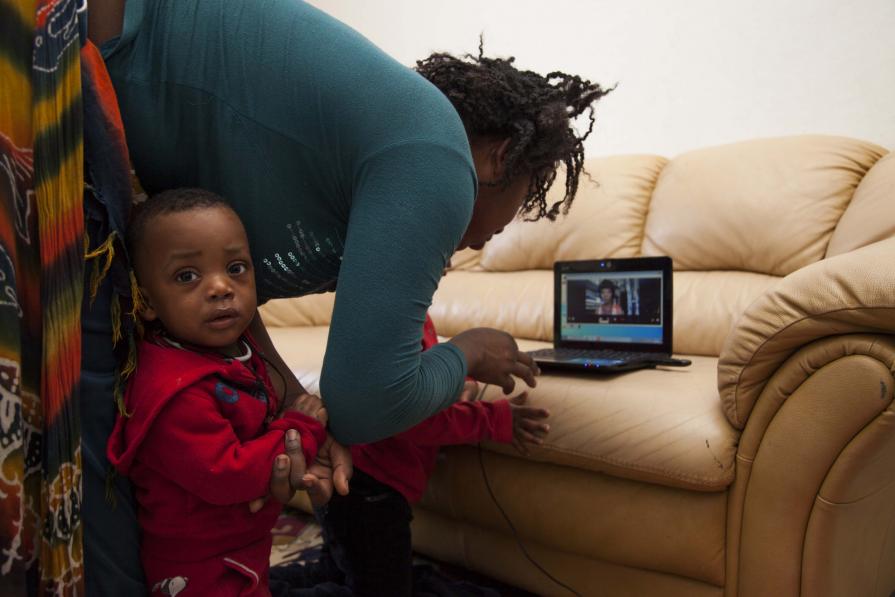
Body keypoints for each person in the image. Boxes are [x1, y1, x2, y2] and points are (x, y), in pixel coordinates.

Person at [84, 1, 612, 593]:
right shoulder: (439, 160)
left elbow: (222, 282)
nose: (488, 236)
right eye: (516, 197)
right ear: (497, 153)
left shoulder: (365, 151)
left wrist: (284, 390)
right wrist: (468, 353)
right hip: (84, 66)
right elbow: (365, 402)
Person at [107, 188, 339, 596]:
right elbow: (228, 474)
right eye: (187, 276)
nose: (220, 287)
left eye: (235, 268)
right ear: (146, 302)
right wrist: (300, 430)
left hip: (240, 545)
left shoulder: (231, 351)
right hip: (200, 567)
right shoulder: (174, 393)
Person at [269, 314, 551, 597]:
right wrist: (494, 419)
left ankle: (253, 585)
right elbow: (410, 417)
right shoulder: (394, 317)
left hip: (352, 473)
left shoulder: (403, 307)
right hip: (371, 489)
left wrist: (454, 381)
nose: (445, 267)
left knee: (344, 566)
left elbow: (421, 372)